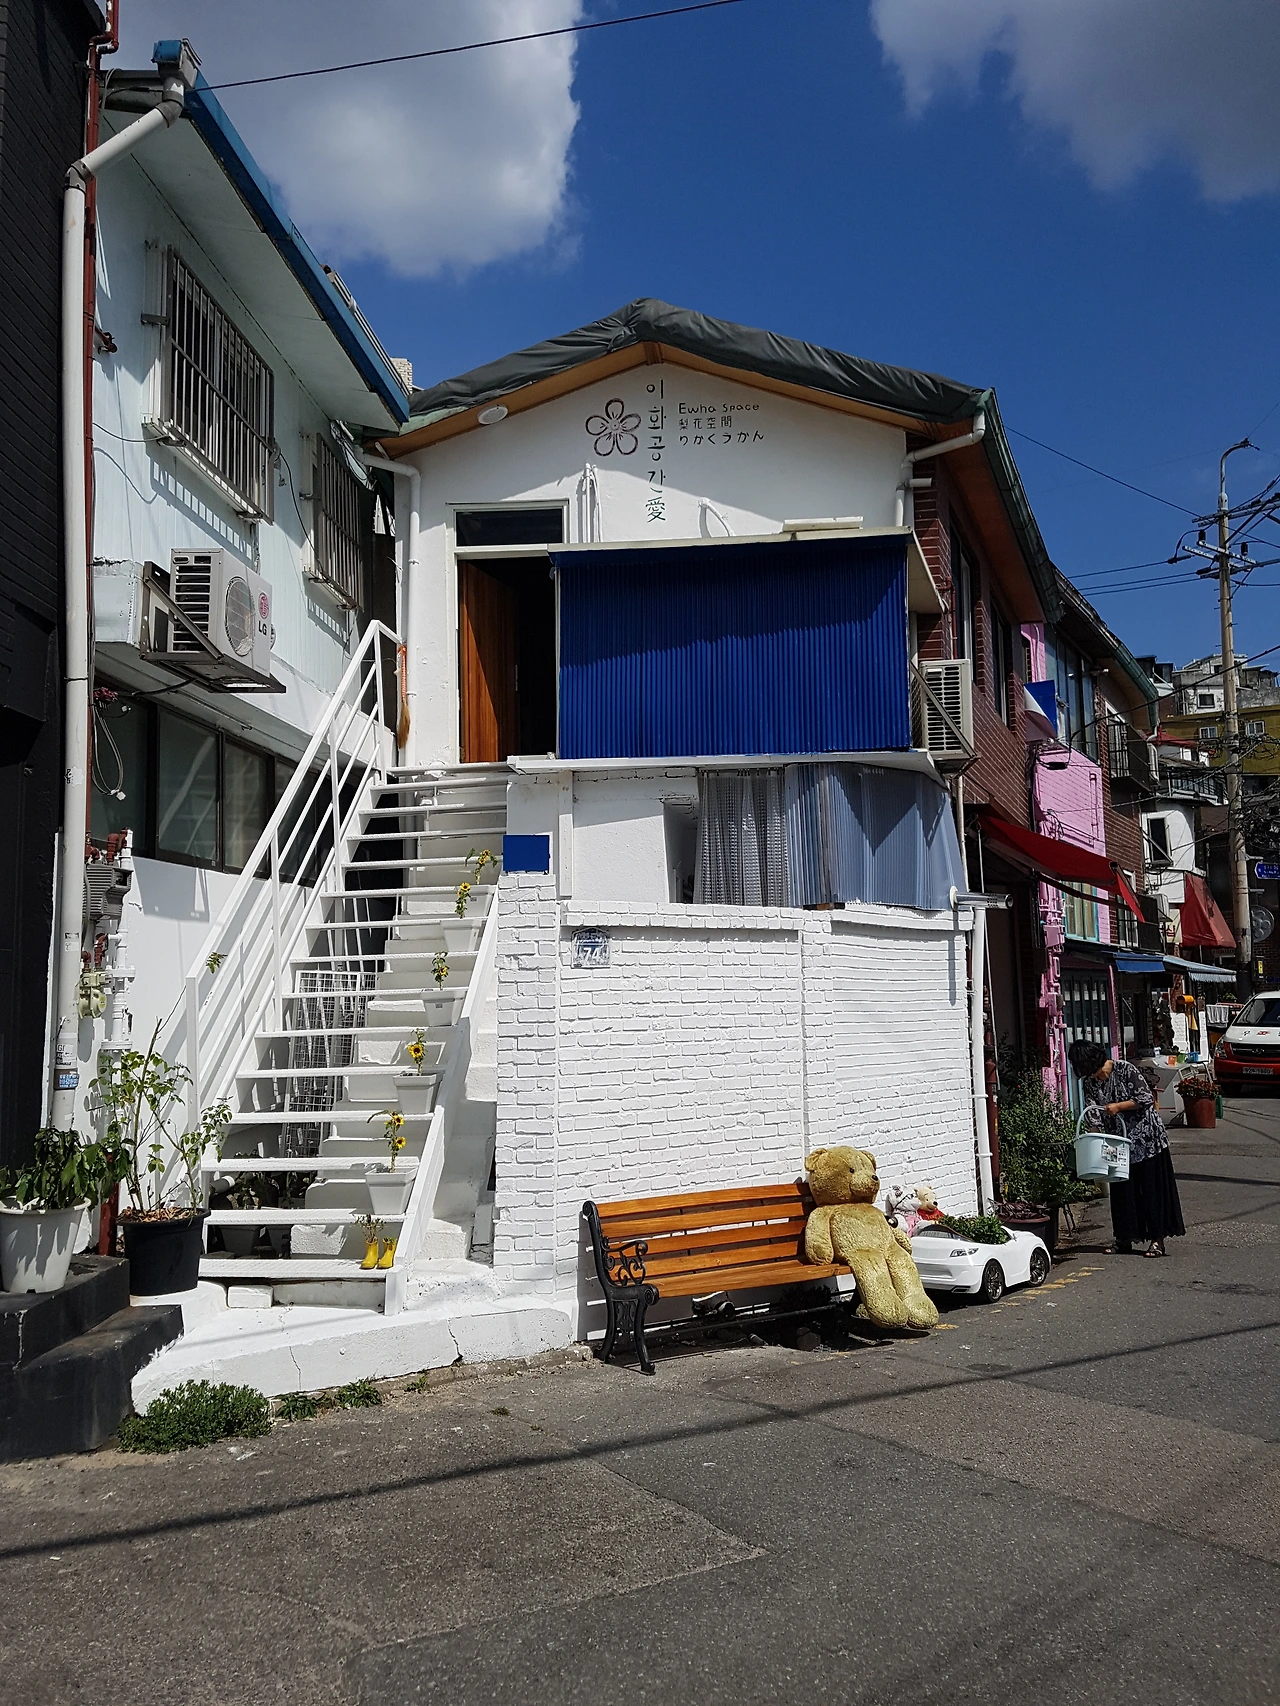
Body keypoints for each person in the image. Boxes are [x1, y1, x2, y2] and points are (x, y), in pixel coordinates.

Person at [1066, 1039, 1185, 1257]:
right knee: (1122, 1191)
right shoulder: (1090, 1083)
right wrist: (1094, 1136)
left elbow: (1145, 1098)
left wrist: (1118, 1107)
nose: (1090, 1076)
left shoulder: (1125, 1069)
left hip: (1146, 1140)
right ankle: (1124, 1238)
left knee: (1150, 1190)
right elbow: (1093, 1112)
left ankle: (1157, 1239)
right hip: (1116, 1142)